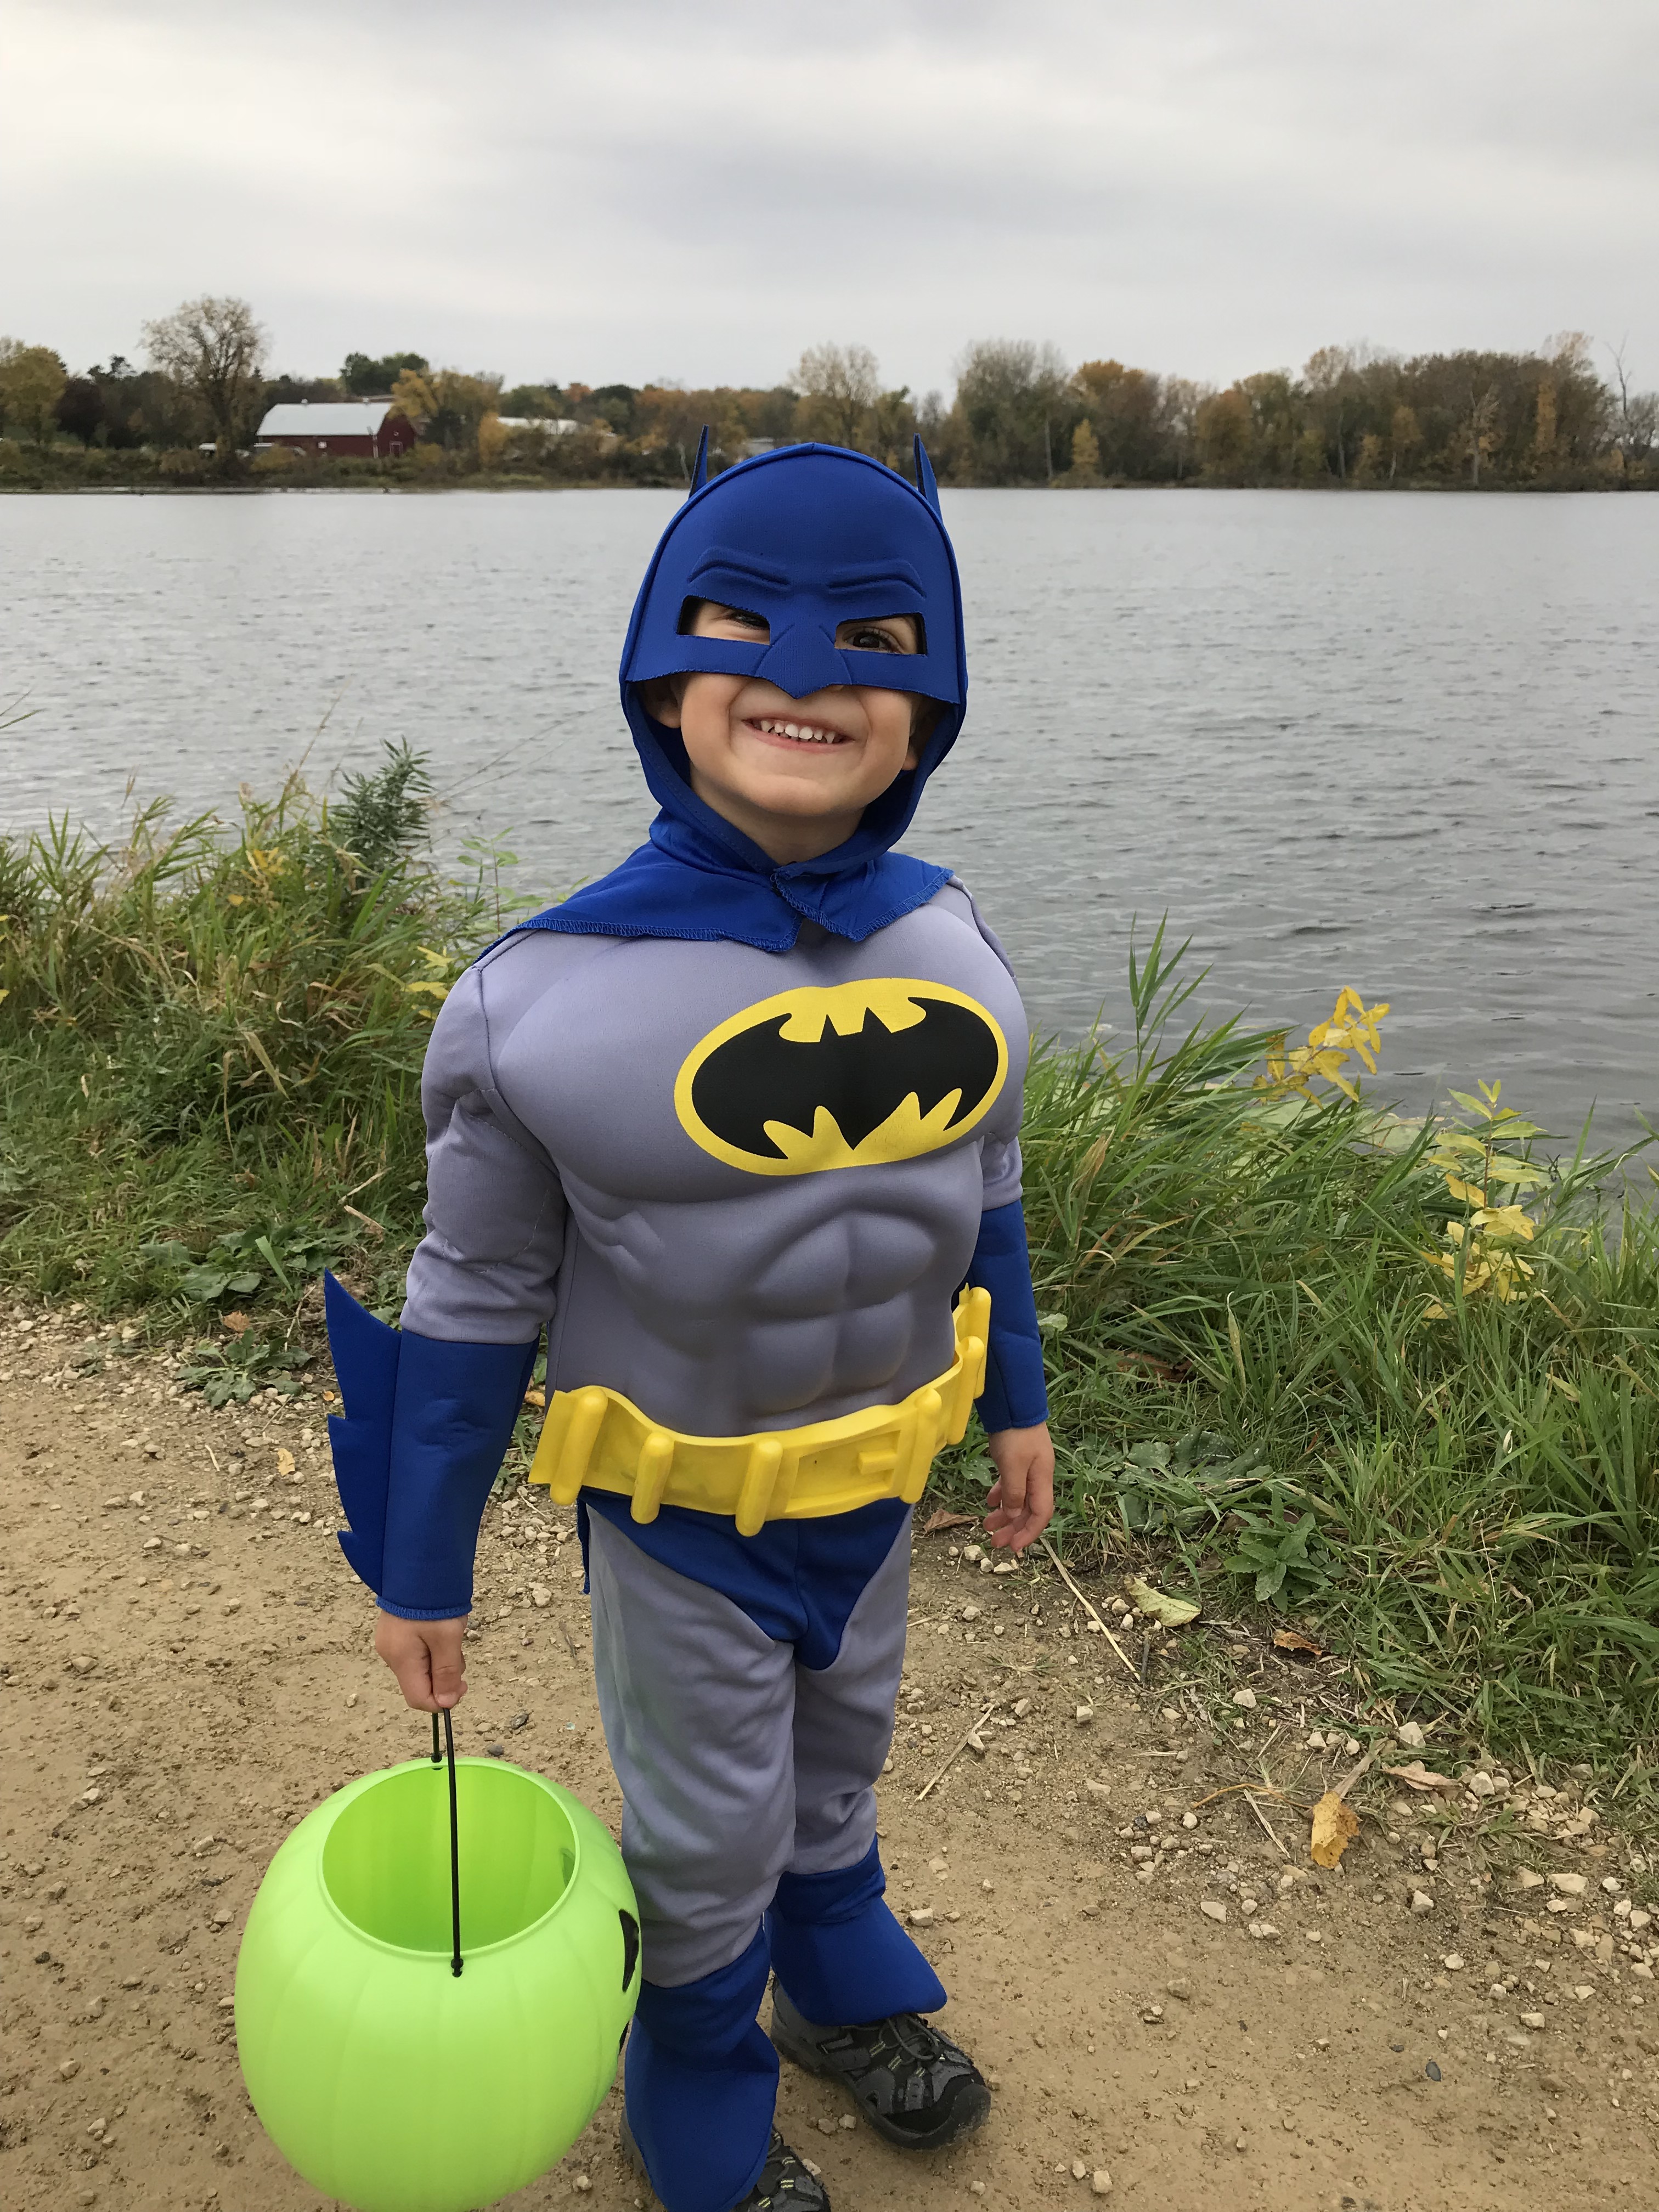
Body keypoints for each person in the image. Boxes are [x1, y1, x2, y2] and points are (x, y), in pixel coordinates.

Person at [324, 436, 1056, 2212]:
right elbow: (473, 1299)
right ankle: (700, 2066)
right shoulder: (543, 1001)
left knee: (842, 1758)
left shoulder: (954, 944)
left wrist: (1019, 1399)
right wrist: (422, 1566)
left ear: (932, 702)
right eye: (742, 622)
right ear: (661, 678)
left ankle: (837, 1982)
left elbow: (988, 1192)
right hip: (682, 1522)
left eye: (876, 637)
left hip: (880, 1487)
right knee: (708, 1823)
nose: (810, 671)